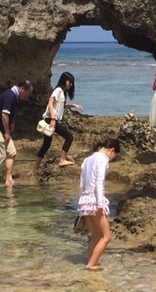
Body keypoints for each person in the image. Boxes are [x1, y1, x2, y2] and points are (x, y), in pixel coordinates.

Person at [78, 138, 121, 270]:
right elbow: (99, 182)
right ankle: (91, 265)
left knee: (95, 236)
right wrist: (100, 204)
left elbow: (81, 183)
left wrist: (80, 203)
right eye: (114, 156)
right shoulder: (103, 160)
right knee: (106, 237)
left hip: (84, 200)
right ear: (112, 151)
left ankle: (90, 261)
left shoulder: (87, 160)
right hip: (95, 200)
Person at [0, 80, 33, 187]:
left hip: (2, 129)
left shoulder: (14, 97)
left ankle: (8, 178)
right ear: (22, 89)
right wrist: (6, 132)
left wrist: (12, 123)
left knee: (12, 152)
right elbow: (4, 115)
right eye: (28, 93)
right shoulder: (10, 96)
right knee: (0, 155)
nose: (27, 96)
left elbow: (9, 114)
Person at [35, 72, 84, 170]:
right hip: (51, 119)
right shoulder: (58, 90)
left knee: (46, 144)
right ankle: (62, 160)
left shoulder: (62, 92)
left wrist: (73, 105)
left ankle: (36, 167)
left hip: (51, 119)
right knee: (69, 137)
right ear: (64, 80)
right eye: (69, 81)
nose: (71, 84)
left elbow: (61, 106)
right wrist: (53, 119)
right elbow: (50, 103)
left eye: (72, 82)